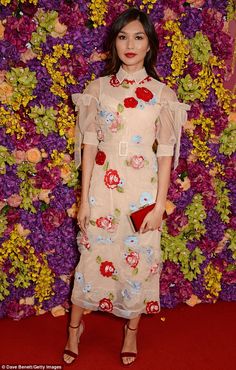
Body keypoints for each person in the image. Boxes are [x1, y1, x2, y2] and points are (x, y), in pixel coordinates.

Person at [63, 7, 189, 366]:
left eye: (138, 37)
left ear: (149, 45)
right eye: (122, 37)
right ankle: (74, 327)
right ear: (113, 43)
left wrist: (160, 203)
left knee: (138, 261)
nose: (130, 44)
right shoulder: (96, 89)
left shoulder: (163, 94)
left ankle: (131, 331)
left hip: (143, 192)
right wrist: (84, 199)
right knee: (91, 256)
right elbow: (88, 146)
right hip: (102, 188)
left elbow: (165, 153)